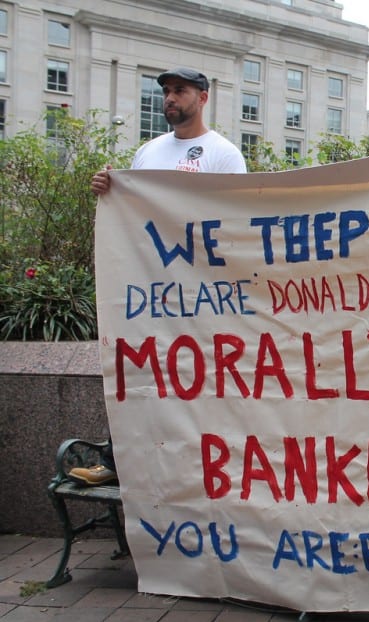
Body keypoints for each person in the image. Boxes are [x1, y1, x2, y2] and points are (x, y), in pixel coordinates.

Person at [69, 67, 248, 487]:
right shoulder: (148, 152)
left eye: (179, 91)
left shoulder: (224, 154)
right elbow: (133, 213)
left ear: (202, 98)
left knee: (202, 379)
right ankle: (118, 462)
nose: (169, 98)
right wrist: (107, 189)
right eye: (166, 91)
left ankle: (206, 468)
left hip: (201, 294)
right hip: (149, 289)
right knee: (138, 371)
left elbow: (237, 219)